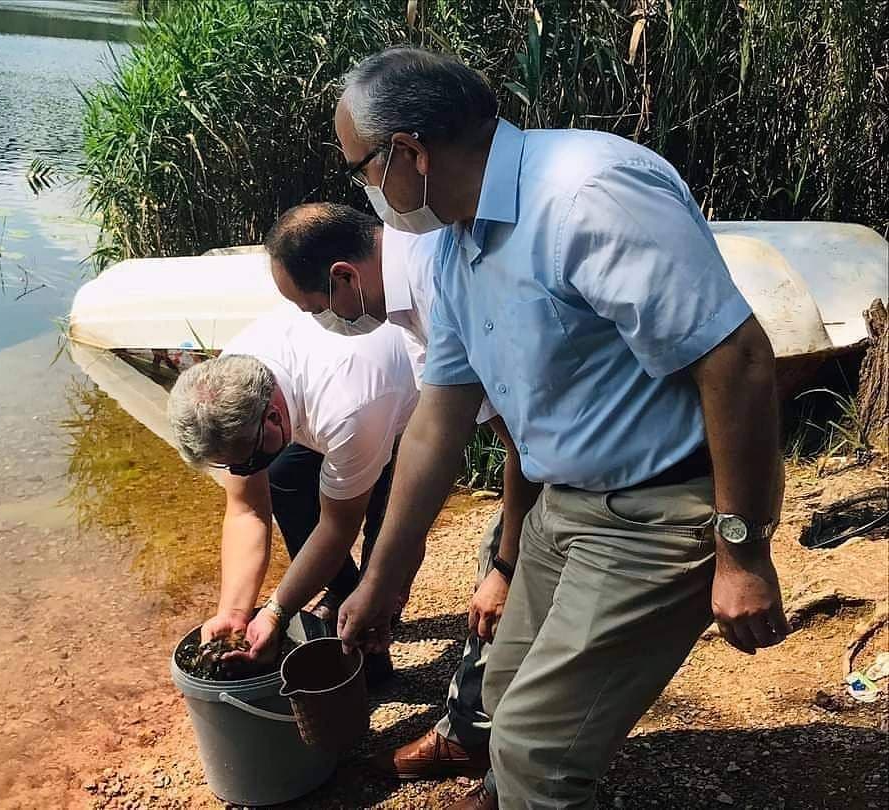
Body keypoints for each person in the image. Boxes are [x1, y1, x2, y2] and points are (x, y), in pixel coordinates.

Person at [333, 48, 788, 810]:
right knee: (501, 697)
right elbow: (438, 420)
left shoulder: (587, 193)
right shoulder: (452, 247)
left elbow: (736, 359)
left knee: (538, 751)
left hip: (661, 509)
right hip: (564, 507)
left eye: (362, 170)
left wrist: (741, 551)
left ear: (409, 151)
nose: (367, 192)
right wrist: (383, 578)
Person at [264, 202, 543, 778]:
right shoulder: (403, 284)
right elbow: (430, 443)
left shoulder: (435, 292)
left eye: (318, 309)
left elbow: (522, 444)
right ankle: (475, 729)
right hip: (546, 448)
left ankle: (484, 744)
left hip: (584, 460)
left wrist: (508, 567)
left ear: (344, 276)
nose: (323, 323)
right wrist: (384, 583)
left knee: (503, 595)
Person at [166, 309, 418, 674]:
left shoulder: (348, 408)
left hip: (402, 409)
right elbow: (246, 510)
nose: (243, 472)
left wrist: (275, 613)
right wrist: (234, 614)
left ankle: (373, 622)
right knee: (283, 477)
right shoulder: (227, 387)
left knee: (389, 530)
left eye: (247, 461)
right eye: (231, 466)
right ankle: (342, 589)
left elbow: (338, 526)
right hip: (323, 401)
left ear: (271, 416)